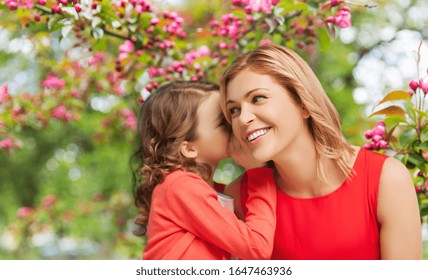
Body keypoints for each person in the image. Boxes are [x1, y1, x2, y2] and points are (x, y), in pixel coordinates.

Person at [220, 44, 422, 260]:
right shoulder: (238, 197)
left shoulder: (386, 179)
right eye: (234, 110)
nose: (242, 119)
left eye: (258, 98)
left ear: (303, 103)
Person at [132, 80, 277, 260]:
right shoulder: (180, 186)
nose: (236, 124)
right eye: (223, 123)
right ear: (189, 148)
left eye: (231, 114)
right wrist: (258, 172)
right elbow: (256, 248)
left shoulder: (213, 191)